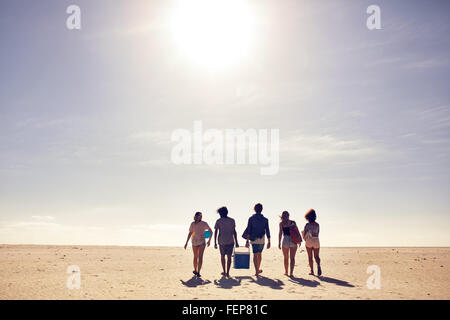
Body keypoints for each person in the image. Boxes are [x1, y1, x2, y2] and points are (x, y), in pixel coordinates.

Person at [244, 203, 271, 276]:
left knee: (255, 255)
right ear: (262, 209)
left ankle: (256, 271)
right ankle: (257, 269)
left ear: (254, 209)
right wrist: (269, 241)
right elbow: (267, 230)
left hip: (253, 238)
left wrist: (247, 240)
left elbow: (249, 230)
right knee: (259, 254)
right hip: (262, 238)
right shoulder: (265, 219)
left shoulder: (251, 219)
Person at [184, 212, 212, 278]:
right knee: (195, 256)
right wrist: (186, 242)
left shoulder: (204, 223)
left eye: (200, 216)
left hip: (202, 242)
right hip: (194, 242)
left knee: (200, 257)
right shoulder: (192, 224)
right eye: (198, 216)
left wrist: (209, 240)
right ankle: (195, 270)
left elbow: (211, 231)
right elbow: (190, 233)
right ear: (195, 216)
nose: (199, 217)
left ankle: (198, 272)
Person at [214, 206, 239, 278]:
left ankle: (224, 271)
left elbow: (216, 232)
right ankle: (227, 272)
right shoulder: (232, 220)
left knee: (222, 256)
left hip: (221, 241)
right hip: (230, 241)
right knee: (229, 257)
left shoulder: (218, 221)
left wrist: (215, 242)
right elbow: (234, 232)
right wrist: (236, 242)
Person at [278, 211, 301, 276]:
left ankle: (286, 272)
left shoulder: (281, 224)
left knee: (286, 258)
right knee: (292, 258)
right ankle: (291, 273)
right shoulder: (293, 222)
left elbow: (280, 233)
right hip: (293, 239)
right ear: (288, 216)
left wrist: (279, 242)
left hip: (285, 239)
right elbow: (297, 231)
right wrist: (299, 240)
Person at [302, 209, 321, 276]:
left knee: (310, 257)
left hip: (309, 241)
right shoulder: (317, 225)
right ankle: (318, 265)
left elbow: (304, 235)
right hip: (316, 240)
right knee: (316, 256)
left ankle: (312, 271)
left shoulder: (307, 225)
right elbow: (317, 234)